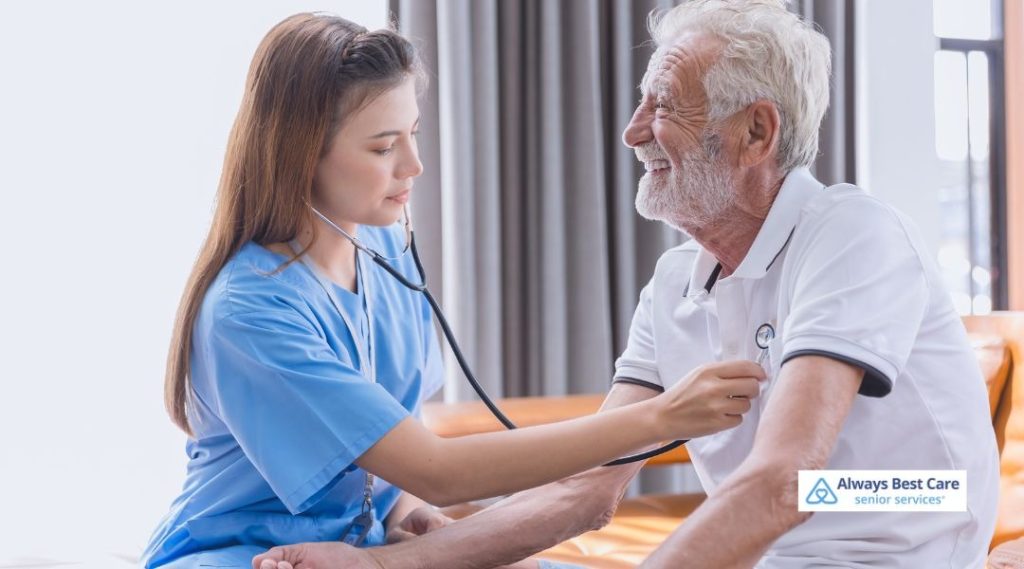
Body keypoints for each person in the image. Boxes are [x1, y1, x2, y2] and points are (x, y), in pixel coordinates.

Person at [255, 1, 1000, 568]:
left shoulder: (851, 235)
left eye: (665, 104)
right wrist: (387, 562)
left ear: (756, 133)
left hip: (906, 534)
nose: (633, 130)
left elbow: (785, 482)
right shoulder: (676, 280)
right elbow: (586, 489)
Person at [142, 12, 764, 569]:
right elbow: (437, 469)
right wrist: (662, 418)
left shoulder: (383, 252)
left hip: (359, 549)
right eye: (384, 146)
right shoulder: (251, 312)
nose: (413, 166)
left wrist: (400, 512)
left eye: (413, 134)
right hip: (247, 557)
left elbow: (396, 442)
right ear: (301, 155)